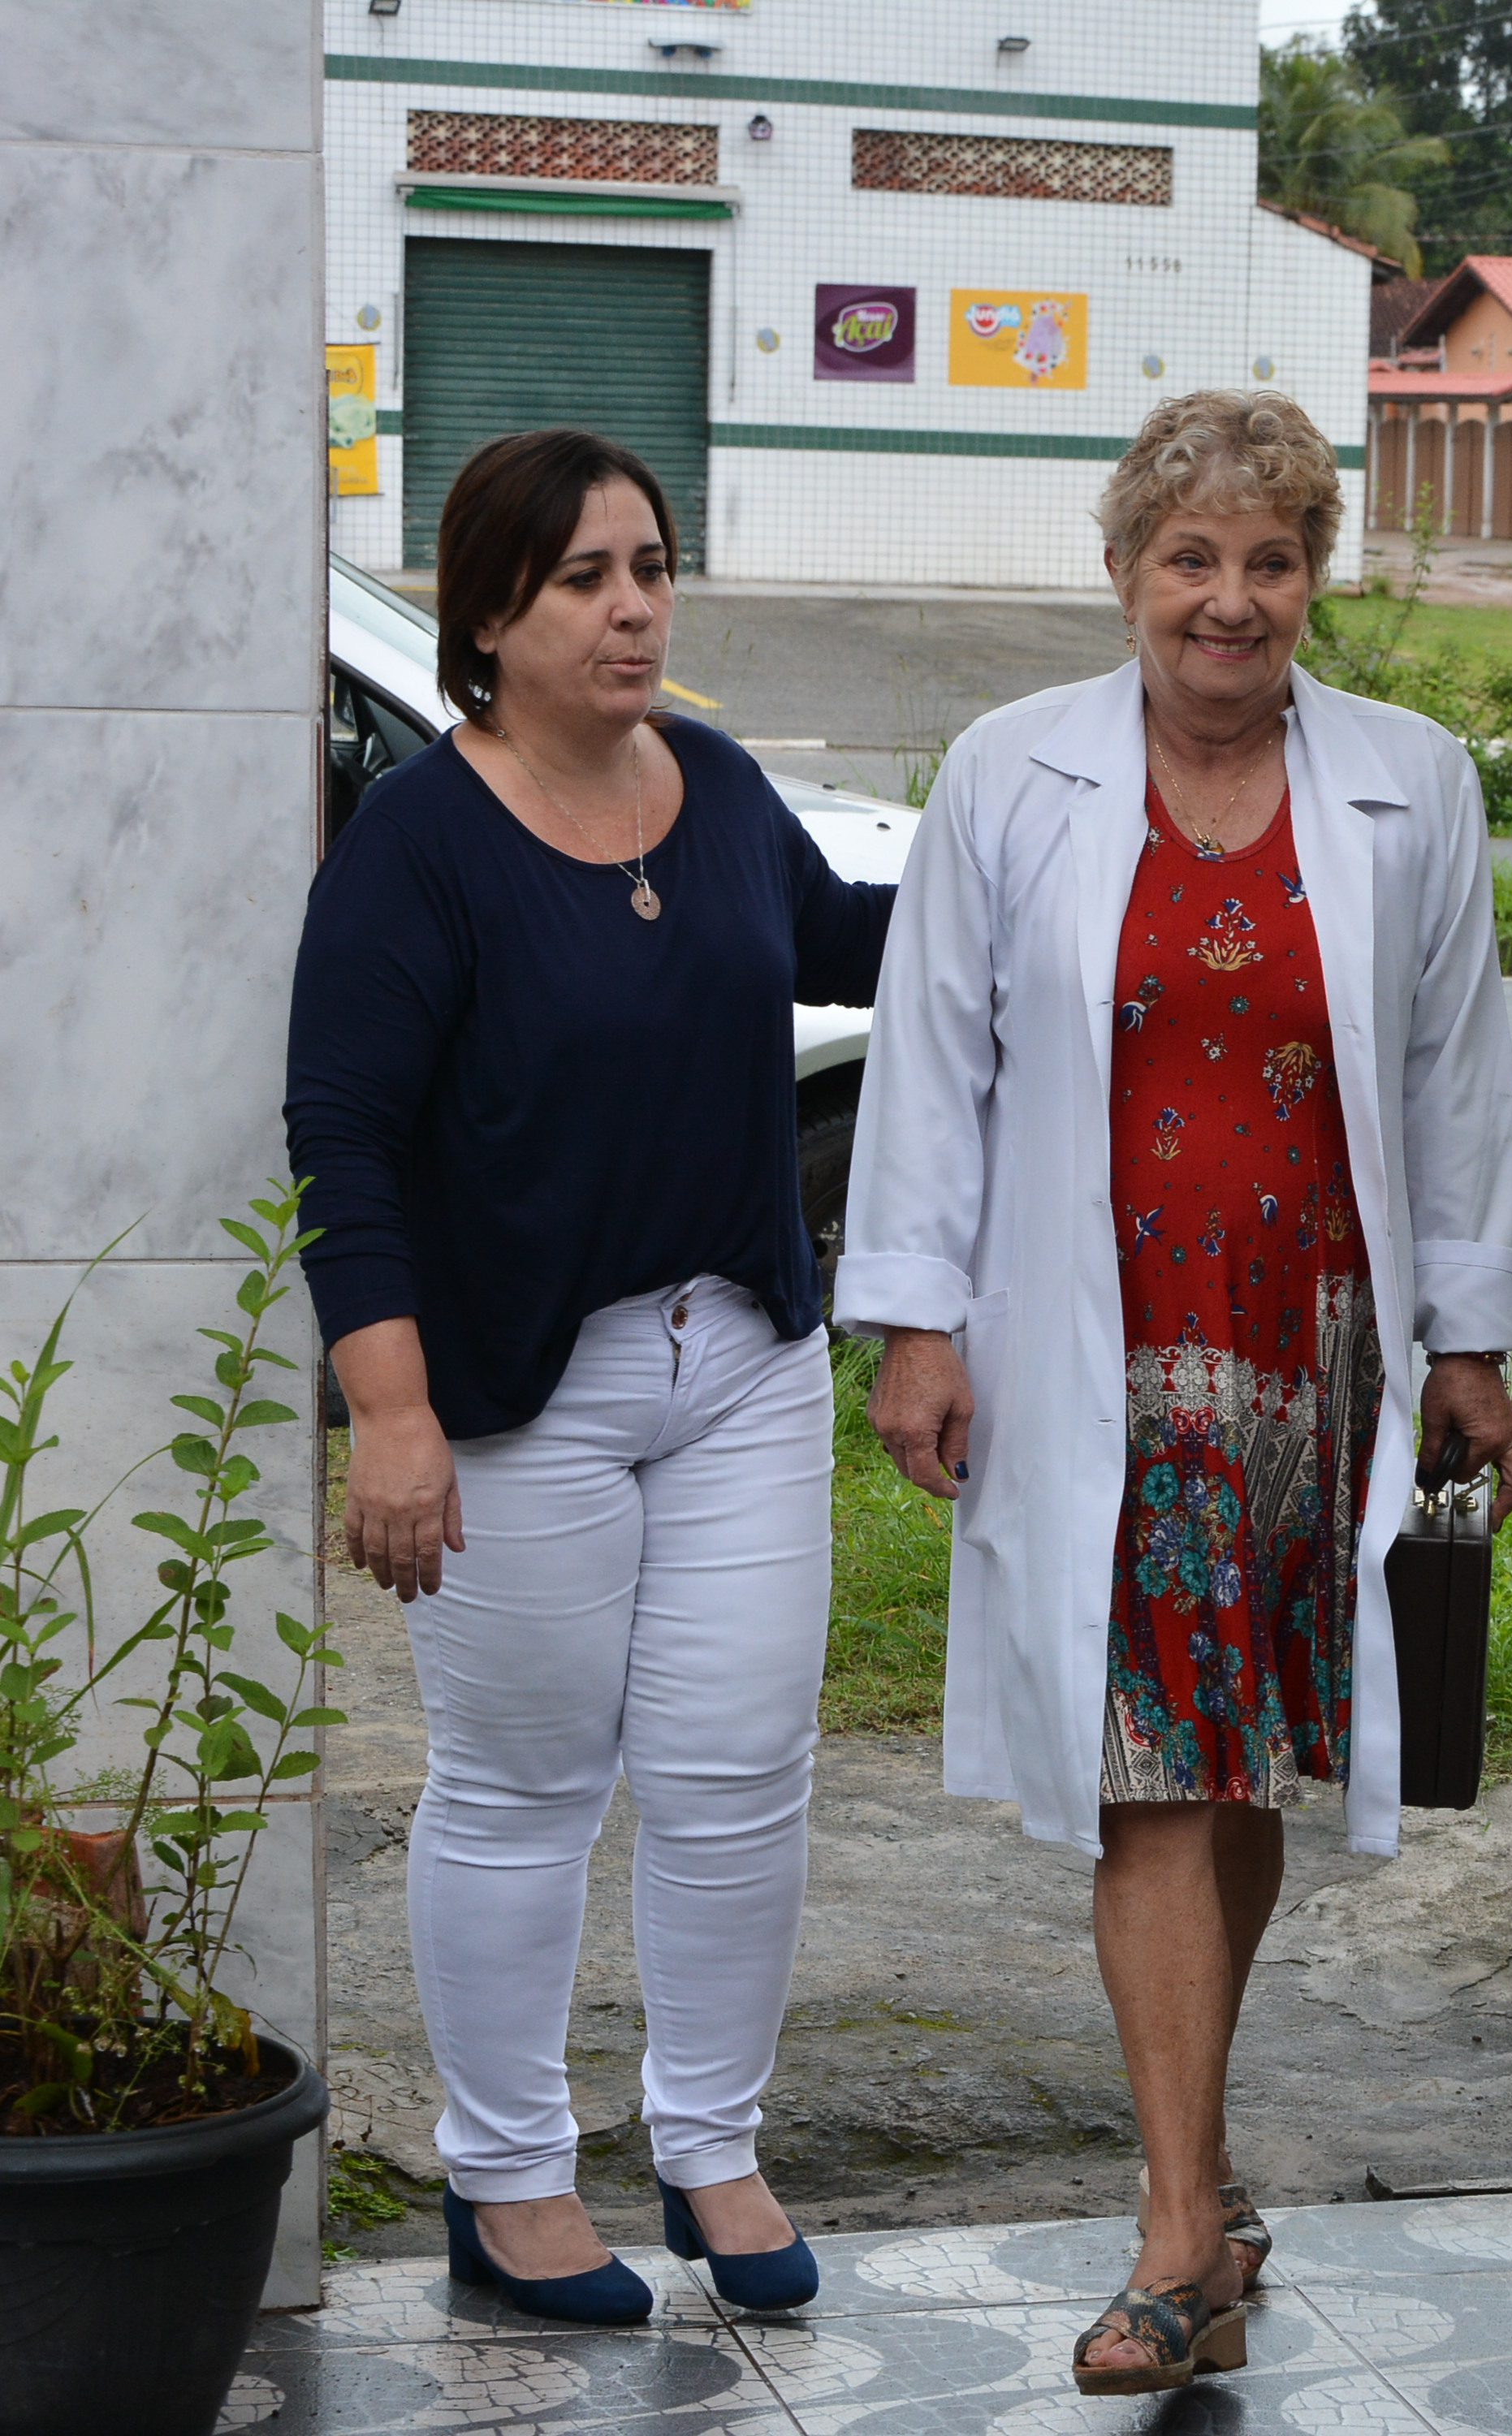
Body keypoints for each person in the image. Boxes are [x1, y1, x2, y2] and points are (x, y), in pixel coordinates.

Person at [840, 389, 1512, 2398]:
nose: (1231, 603)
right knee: (1152, 1769)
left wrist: (1468, 1342)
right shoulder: (1013, 771)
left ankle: (1203, 2182)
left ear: (1315, 576)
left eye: (1273, 560)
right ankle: (1174, 2239)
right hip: (1102, 1348)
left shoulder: (1414, 782)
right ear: (1126, 572)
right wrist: (915, 1316)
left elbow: (1454, 1082)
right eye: (1192, 561)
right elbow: (931, 1057)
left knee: (1238, 1771)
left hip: (1317, 1353)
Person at [285, 429, 894, 2323]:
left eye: (650, 568)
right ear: (489, 613)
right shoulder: (421, 843)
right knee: (527, 1781)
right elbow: (344, 1136)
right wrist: (389, 1412)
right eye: (585, 580)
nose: (633, 607)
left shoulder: (709, 788)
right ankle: (509, 2177)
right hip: (511, 1395)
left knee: (737, 1774)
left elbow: (852, 939)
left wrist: (1050, 840)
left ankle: (711, 2143)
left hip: (741, 1368)